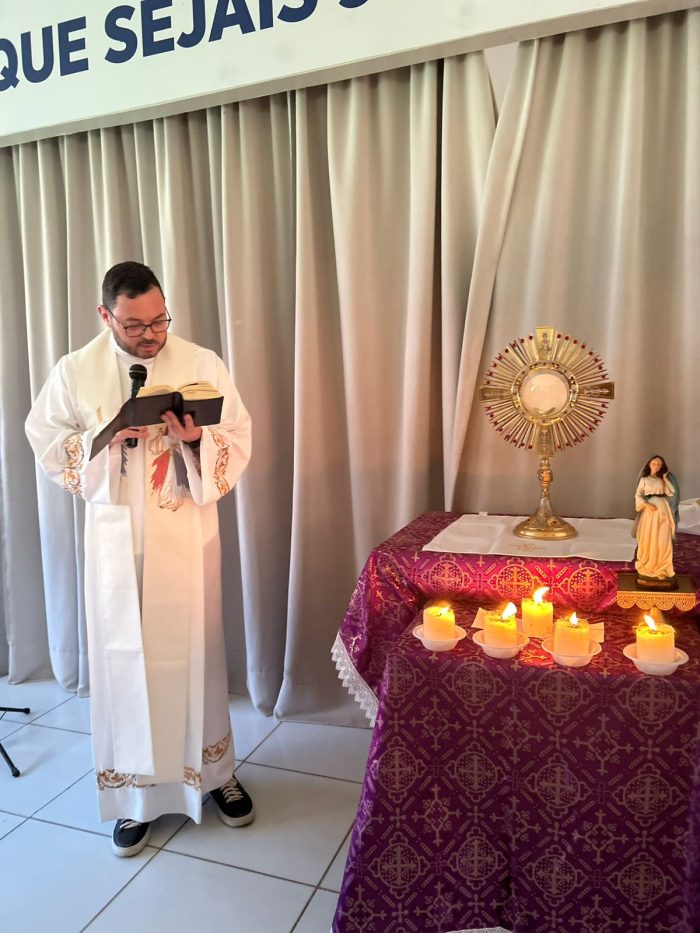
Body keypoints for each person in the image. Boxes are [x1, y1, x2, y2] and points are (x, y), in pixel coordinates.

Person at [25, 261, 253, 857]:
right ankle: (134, 798)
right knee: (126, 663)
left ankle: (216, 774)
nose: (151, 335)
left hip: (183, 531)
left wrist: (197, 440)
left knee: (195, 655)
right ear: (106, 316)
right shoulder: (75, 370)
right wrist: (104, 437)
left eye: (159, 321)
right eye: (135, 326)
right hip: (116, 541)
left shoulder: (200, 362)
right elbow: (46, 439)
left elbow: (237, 433)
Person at [632, 454, 679, 587]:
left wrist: (665, 479)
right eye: (654, 464)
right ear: (649, 465)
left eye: (659, 464)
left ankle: (663, 566)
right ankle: (649, 564)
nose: (656, 466)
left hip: (663, 510)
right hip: (650, 511)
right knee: (649, 536)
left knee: (663, 538)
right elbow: (638, 495)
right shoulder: (644, 479)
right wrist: (647, 505)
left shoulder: (662, 479)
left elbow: (671, 493)